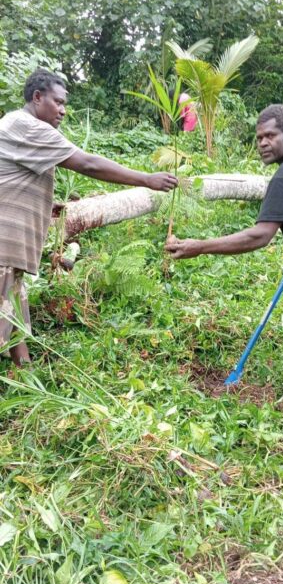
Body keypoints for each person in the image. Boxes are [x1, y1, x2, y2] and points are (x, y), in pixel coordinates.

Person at [0, 68, 178, 367]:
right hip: (3, 246)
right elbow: (88, 164)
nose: (63, 110)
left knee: (14, 307)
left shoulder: (14, 123)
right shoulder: (30, 127)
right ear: (37, 97)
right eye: (57, 102)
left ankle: (25, 375)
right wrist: (147, 179)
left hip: (9, 246)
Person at [166, 103, 283, 365]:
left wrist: (200, 246)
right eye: (259, 137)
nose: (263, 143)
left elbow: (260, 236)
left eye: (270, 136)